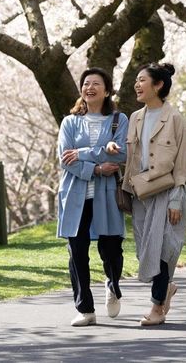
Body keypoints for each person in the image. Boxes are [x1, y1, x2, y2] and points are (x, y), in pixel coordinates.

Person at [57, 67, 128, 326]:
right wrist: (97, 167)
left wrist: (84, 152)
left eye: (96, 83)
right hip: (75, 194)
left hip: (107, 194)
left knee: (111, 249)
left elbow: (120, 156)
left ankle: (113, 284)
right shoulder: (70, 122)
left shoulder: (119, 120)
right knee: (77, 252)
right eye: (86, 83)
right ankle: (85, 309)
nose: (90, 87)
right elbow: (65, 158)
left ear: (107, 90)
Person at [122, 62, 186, 326]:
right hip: (141, 193)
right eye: (136, 80)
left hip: (166, 191)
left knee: (161, 250)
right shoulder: (134, 117)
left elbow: (182, 163)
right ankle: (166, 290)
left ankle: (156, 307)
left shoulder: (175, 118)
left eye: (142, 80)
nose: (137, 85)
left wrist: (176, 199)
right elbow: (130, 158)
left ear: (158, 85)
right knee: (144, 252)